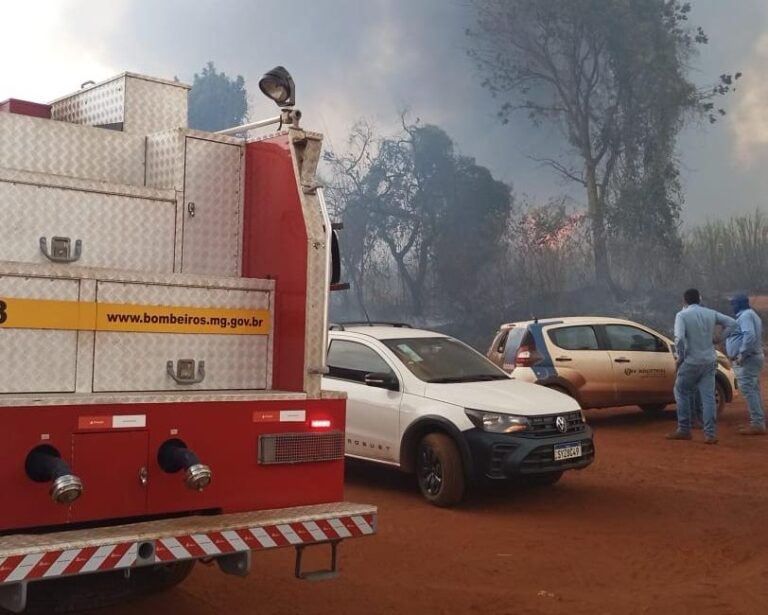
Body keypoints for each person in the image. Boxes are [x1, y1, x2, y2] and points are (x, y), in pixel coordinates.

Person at [667, 288, 737, 444]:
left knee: (681, 391)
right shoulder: (710, 313)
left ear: (684, 301)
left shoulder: (682, 315)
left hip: (691, 361)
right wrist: (719, 338)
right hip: (709, 361)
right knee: (708, 398)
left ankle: (684, 429)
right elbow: (733, 323)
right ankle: (710, 434)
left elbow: (679, 339)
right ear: (699, 299)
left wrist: (680, 358)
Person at [725, 294, 766, 435]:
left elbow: (749, 335)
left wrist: (742, 354)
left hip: (748, 358)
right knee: (753, 389)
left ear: (740, 304)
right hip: (753, 356)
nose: (732, 306)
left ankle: (757, 423)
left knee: (748, 389)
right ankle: (758, 421)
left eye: (734, 303)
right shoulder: (750, 314)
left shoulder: (746, 316)